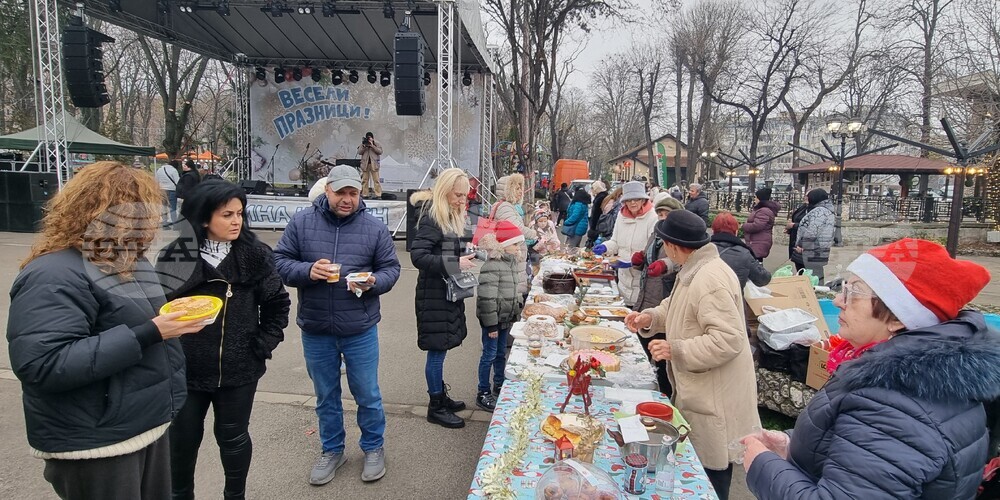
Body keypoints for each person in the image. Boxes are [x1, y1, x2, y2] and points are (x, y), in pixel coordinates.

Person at [7, 162, 205, 500]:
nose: (150, 222)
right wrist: (150, 332)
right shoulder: (53, 273)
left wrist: (171, 320)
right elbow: (43, 364)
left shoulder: (126, 258)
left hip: (143, 425)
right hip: (97, 442)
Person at [742, 238, 999, 499]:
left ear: (898, 317)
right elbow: (859, 458)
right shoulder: (909, 381)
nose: (838, 300)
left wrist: (762, 465)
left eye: (854, 292)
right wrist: (793, 446)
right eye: (844, 288)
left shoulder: (893, 405)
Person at [156, 181, 290, 500]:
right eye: (227, 214)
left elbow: (277, 304)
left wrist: (262, 344)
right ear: (204, 218)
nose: (236, 221)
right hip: (186, 371)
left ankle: (235, 495)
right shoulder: (175, 256)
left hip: (239, 370)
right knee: (181, 442)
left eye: (240, 214)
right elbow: (158, 308)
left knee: (234, 439)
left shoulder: (256, 255)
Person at [274, 165, 401, 485]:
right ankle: (332, 450)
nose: (347, 199)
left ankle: (373, 447)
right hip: (316, 328)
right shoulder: (302, 223)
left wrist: (374, 281)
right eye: (340, 192)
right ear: (327, 190)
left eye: (353, 193)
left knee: (367, 393)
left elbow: (391, 269)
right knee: (326, 396)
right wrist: (307, 271)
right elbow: (280, 262)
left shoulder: (374, 228)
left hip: (360, 328)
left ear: (360, 194)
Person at [624, 210, 760, 500]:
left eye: (665, 245)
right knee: (702, 464)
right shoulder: (694, 268)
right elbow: (675, 307)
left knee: (711, 474)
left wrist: (677, 349)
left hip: (716, 393)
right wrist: (649, 318)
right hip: (702, 388)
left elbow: (728, 340)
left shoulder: (710, 278)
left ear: (674, 246)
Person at [410, 168, 476, 429]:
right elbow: (418, 257)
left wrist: (461, 255)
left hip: (445, 293)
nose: (462, 200)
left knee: (443, 347)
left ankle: (440, 396)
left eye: (465, 196)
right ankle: (435, 406)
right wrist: (455, 262)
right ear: (444, 191)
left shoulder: (448, 215)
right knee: (436, 352)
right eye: (458, 195)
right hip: (433, 294)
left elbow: (442, 252)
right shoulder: (432, 217)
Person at [631, 193, 684, 396]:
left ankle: (664, 393)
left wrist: (665, 265)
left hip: (665, 297)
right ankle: (649, 391)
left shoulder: (679, 237)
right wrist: (639, 261)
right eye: (660, 214)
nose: (662, 218)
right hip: (647, 296)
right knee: (645, 347)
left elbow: (681, 262)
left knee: (662, 356)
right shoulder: (655, 235)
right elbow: (647, 260)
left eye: (667, 214)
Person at [474, 220, 527, 411]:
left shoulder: (509, 262)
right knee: (489, 355)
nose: (518, 247)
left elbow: (511, 290)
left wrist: (516, 310)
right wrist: (491, 325)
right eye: (515, 244)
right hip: (493, 322)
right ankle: (483, 391)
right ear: (504, 245)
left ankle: (499, 382)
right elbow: (487, 298)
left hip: (505, 318)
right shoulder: (492, 265)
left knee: (500, 353)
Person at [593, 181, 659, 307]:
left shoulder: (652, 217)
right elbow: (615, 242)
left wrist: (634, 262)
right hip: (623, 280)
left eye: (636, 199)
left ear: (643, 200)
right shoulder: (621, 215)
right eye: (629, 200)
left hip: (641, 281)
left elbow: (653, 251)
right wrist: (605, 247)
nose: (633, 203)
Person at [712, 211, 771, 290]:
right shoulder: (744, 253)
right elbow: (763, 279)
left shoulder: (702, 250)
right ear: (736, 232)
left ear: (713, 230)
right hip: (733, 296)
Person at [795, 188, 835, 282]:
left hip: (812, 250)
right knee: (815, 276)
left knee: (812, 277)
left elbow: (812, 231)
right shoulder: (827, 210)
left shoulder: (820, 211)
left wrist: (802, 245)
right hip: (818, 249)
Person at [742, 187, 781, 261]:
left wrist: (744, 226)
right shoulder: (762, 210)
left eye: (755, 197)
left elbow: (757, 226)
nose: (754, 199)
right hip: (758, 241)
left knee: (756, 262)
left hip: (759, 242)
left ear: (759, 199)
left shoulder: (764, 211)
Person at [357, 132, 384, 199]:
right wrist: (364, 146)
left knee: (376, 180)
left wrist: (372, 146)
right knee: (365, 180)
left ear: (372, 138)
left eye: (370, 137)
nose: (369, 139)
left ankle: (378, 194)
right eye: (368, 138)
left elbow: (380, 151)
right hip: (365, 164)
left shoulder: (376, 143)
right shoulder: (363, 144)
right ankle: (365, 194)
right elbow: (359, 152)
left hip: (374, 164)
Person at [785, 200, 809, 272]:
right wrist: (790, 229)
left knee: (807, 271)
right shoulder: (803, 207)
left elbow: (810, 225)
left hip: (806, 244)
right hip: (796, 240)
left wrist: (794, 225)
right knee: (799, 269)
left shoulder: (814, 210)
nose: (805, 197)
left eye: (807, 196)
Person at [155, 160, 180, 225]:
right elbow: (177, 182)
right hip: (172, 190)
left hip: (162, 190)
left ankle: (165, 223)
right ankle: (174, 223)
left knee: (163, 207)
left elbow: (156, 181)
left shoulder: (159, 170)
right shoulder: (174, 170)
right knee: (172, 207)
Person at [586, 181, 609, 248]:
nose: (592, 190)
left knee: (595, 245)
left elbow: (596, 215)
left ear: (597, 188)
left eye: (593, 188)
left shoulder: (600, 198)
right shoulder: (604, 196)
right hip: (602, 224)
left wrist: (592, 228)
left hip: (598, 225)